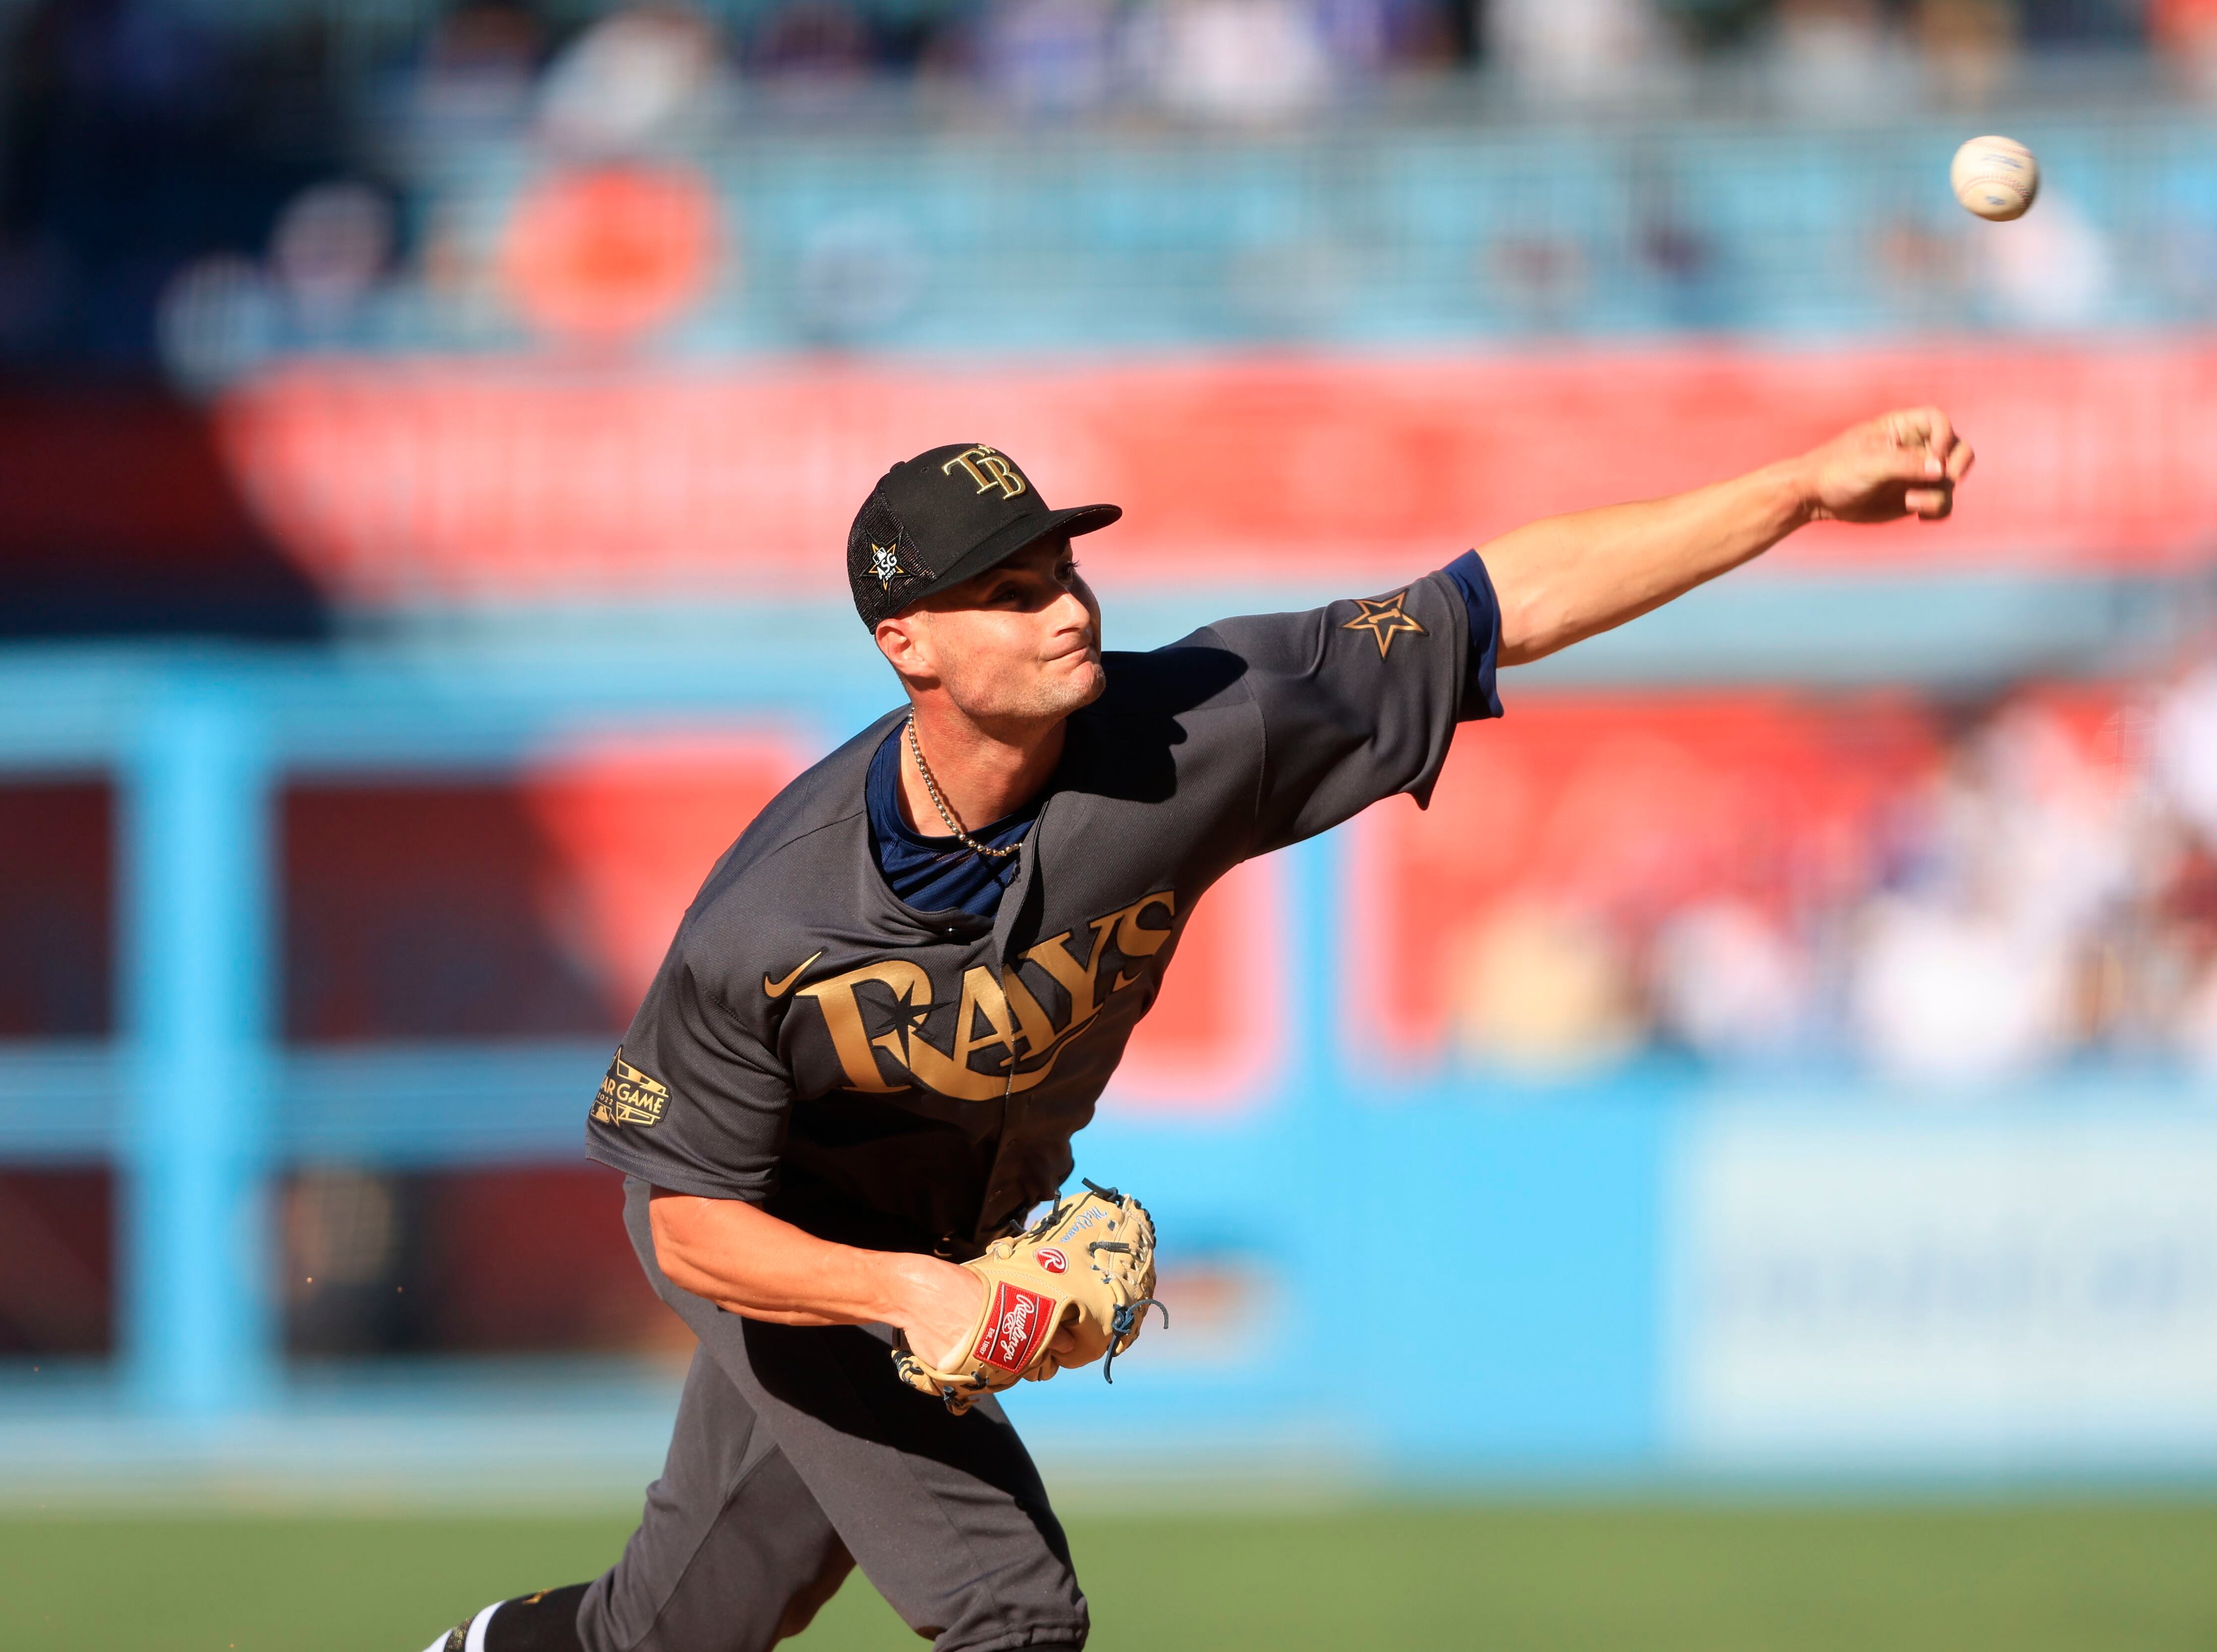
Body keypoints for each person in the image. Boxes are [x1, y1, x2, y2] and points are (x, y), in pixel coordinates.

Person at [422, 412, 1976, 1652]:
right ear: (910, 647)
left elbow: (1498, 603)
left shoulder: (1195, 725)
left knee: (680, 1632)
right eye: (1011, 589)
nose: (1068, 604)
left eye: (1065, 564)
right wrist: (908, 1295)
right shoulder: (768, 924)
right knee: (1010, 1614)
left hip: (943, 1244)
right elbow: (688, 1223)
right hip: (797, 1249)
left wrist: (1797, 489)